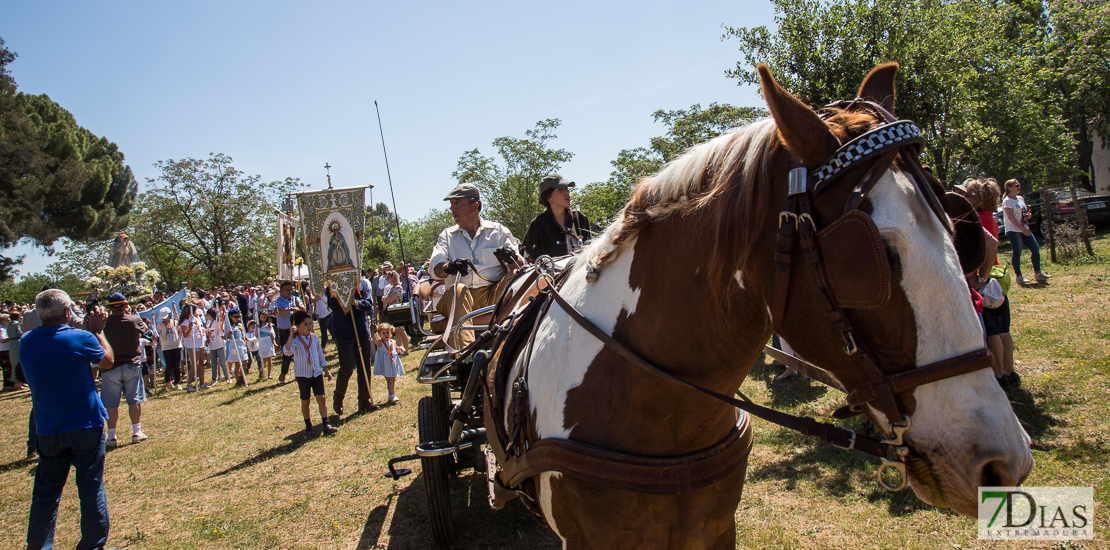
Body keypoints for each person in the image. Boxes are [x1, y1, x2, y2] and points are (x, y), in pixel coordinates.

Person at [21, 289, 115, 550]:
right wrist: (98, 330)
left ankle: (39, 545)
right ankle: (92, 544)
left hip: (48, 426)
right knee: (90, 486)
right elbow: (107, 361)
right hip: (85, 422)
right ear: (66, 312)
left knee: (45, 493)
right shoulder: (80, 338)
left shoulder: (27, 341)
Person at [430, 182, 521, 350]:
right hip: (457, 298)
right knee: (459, 290)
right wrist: (448, 267)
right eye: (451, 204)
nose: (452, 209)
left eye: (457, 203)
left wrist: (511, 257)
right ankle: (465, 351)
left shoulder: (498, 231)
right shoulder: (447, 236)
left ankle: (521, 336)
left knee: (517, 273)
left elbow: (522, 265)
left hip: (492, 296)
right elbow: (435, 267)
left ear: (475, 206)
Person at [968, 178, 1020, 387]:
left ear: (978, 198)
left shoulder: (979, 219)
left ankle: (998, 373)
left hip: (986, 278)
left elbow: (989, 244)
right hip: (998, 276)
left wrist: (980, 277)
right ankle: (1010, 370)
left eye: (969, 195)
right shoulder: (990, 216)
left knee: (992, 332)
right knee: (1003, 328)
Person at [100, 293, 149, 448]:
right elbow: (145, 329)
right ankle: (136, 431)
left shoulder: (104, 323)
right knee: (134, 399)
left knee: (111, 403)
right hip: (131, 364)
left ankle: (112, 436)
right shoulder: (134, 319)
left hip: (110, 366)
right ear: (126, 305)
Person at [327, 278, 379, 415]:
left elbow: (368, 303)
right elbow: (331, 303)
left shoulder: (362, 283)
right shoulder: (333, 283)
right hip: (343, 331)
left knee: (364, 366)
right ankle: (338, 397)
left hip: (360, 329)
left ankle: (364, 400)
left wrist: (356, 303)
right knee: (347, 367)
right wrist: (342, 299)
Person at [282, 310, 338, 436]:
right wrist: (291, 335)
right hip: (303, 375)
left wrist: (326, 370)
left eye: (310, 323)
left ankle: (326, 423)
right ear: (297, 327)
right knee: (306, 400)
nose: (309, 327)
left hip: (316, 373)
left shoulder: (314, 338)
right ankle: (308, 425)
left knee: (321, 398)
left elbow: (320, 355)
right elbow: (287, 351)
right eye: (305, 324)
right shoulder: (295, 341)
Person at [522, 173, 594, 261]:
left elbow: (593, 250)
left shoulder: (580, 218)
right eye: (560, 189)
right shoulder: (537, 225)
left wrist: (589, 249)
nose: (567, 192)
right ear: (548, 197)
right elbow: (530, 261)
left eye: (567, 188)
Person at [1002, 178, 1051, 285]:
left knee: (1035, 248)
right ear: (1009, 188)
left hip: (1024, 229)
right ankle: (1019, 276)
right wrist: (1022, 229)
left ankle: (1038, 273)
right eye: (1016, 185)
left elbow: (1022, 214)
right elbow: (1011, 217)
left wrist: (1028, 216)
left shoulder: (1020, 198)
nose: (1018, 187)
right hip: (1014, 230)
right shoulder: (1007, 201)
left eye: (1018, 185)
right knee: (1017, 252)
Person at [271, 281, 305, 383]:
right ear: (281, 291)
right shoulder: (277, 301)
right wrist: (289, 309)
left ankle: (301, 372)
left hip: (297, 329)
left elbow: (304, 310)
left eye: (291, 289)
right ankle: (283, 372)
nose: (290, 292)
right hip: (285, 331)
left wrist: (299, 306)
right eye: (287, 290)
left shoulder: (296, 299)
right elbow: (277, 311)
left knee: (300, 351)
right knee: (287, 352)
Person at [372, 323, 405, 404]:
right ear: (380, 334)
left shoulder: (392, 341)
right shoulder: (381, 343)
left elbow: (396, 347)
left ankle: (391, 394)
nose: (386, 335)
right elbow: (375, 341)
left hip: (392, 363)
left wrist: (400, 348)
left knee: (393, 379)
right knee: (389, 380)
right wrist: (373, 333)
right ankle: (392, 395)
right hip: (386, 364)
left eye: (388, 332)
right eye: (383, 333)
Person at [179, 303, 207, 392]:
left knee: (201, 364)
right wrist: (189, 328)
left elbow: (199, 329)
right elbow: (185, 334)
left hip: (200, 343)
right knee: (195, 364)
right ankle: (189, 383)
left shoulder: (195, 319)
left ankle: (202, 383)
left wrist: (207, 331)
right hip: (191, 344)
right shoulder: (185, 322)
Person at [157, 307, 183, 390]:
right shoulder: (160, 326)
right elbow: (157, 335)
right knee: (169, 365)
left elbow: (180, 332)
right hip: (166, 347)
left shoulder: (175, 322)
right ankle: (167, 380)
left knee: (177, 365)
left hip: (176, 345)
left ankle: (177, 382)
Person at [225, 308, 250, 386]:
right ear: (230, 317)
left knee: (245, 361)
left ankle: (241, 375)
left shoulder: (240, 324)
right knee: (237, 364)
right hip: (233, 344)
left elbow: (242, 335)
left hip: (241, 344)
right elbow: (224, 336)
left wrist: (246, 343)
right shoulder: (228, 325)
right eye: (235, 317)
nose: (237, 318)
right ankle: (238, 380)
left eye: (238, 316)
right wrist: (228, 334)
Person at [205, 308, 229, 386]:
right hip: (212, 346)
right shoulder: (209, 323)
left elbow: (220, 327)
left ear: (209, 315)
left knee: (223, 363)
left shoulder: (218, 322)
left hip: (219, 345)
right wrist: (207, 339)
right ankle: (214, 379)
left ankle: (227, 377)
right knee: (214, 364)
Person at [257, 311, 276, 380]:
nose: (263, 319)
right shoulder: (258, 325)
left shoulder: (269, 325)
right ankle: (262, 371)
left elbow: (272, 334)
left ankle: (269, 373)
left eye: (264, 317)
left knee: (269, 358)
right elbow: (256, 335)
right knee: (264, 359)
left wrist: (274, 342)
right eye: (262, 317)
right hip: (262, 341)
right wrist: (257, 328)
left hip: (268, 341)